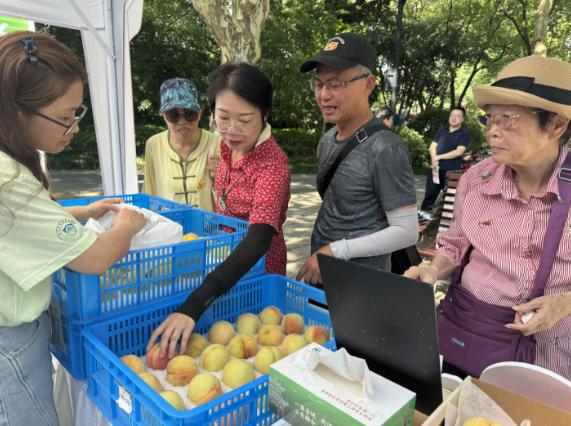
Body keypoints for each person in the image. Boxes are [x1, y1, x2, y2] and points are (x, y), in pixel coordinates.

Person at [0, 31, 146, 426]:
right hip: (9, 344)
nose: (74, 127)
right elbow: (96, 257)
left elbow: (31, 221)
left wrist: (85, 211)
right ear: (17, 111)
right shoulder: (7, 180)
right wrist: (128, 225)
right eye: (66, 117)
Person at [405, 55, 571, 380]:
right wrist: (431, 271)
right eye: (489, 119)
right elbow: (454, 245)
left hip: (548, 360)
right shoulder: (477, 179)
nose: (492, 132)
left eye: (506, 119)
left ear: (556, 125)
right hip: (464, 339)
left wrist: (563, 303)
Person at [147, 63, 291, 358]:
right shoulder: (226, 148)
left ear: (265, 114)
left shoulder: (271, 165)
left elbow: (258, 240)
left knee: (252, 348)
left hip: (255, 267)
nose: (232, 130)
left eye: (245, 120)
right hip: (224, 261)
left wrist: (195, 303)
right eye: (222, 118)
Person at [295, 33, 418, 284]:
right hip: (320, 272)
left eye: (336, 84)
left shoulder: (386, 149)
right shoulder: (328, 140)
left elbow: (407, 232)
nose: (324, 95)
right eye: (319, 84)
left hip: (363, 285)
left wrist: (335, 250)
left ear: (368, 84)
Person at [142, 77, 220, 210]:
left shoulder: (216, 143)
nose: (182, 121)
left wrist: (221, 175)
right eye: (173, 115)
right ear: (163, 115)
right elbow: (149, 193)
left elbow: (230, 198)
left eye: (190, 114)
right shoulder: (153, 145)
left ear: (199, 113)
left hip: (207, 227)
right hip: (168, 228)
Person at [418, 107, 469, 220]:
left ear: (462, 119)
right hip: (436, 170)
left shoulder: (463, 134)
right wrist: (434, 159)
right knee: (429, 197)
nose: (454, 118)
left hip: (452, 172)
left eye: (458, 116)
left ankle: (443, 231)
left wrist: (439, 157)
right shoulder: (442, 130)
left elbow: (459, 151)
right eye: (452, 115)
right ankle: (422, 223)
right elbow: (432, 147)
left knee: (448, 201)